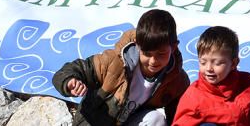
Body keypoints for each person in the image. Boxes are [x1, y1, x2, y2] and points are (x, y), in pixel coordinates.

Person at [53, 9, 189, 126]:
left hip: (130, 122)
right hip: (94, 122)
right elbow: (72, 70)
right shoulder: (112, 62)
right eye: (147, 53)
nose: (153, 61)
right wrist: (70, 81)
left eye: (161, 54)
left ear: (174, 47)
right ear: (137, 45)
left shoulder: (177, 80)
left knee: (156, 119)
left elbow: (177, 116)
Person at [172, 25, 250, 126]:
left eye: (217, 63)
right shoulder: (194, 97)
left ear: (234, 63)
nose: (208, 68)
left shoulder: (249, 85)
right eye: (203, 62)